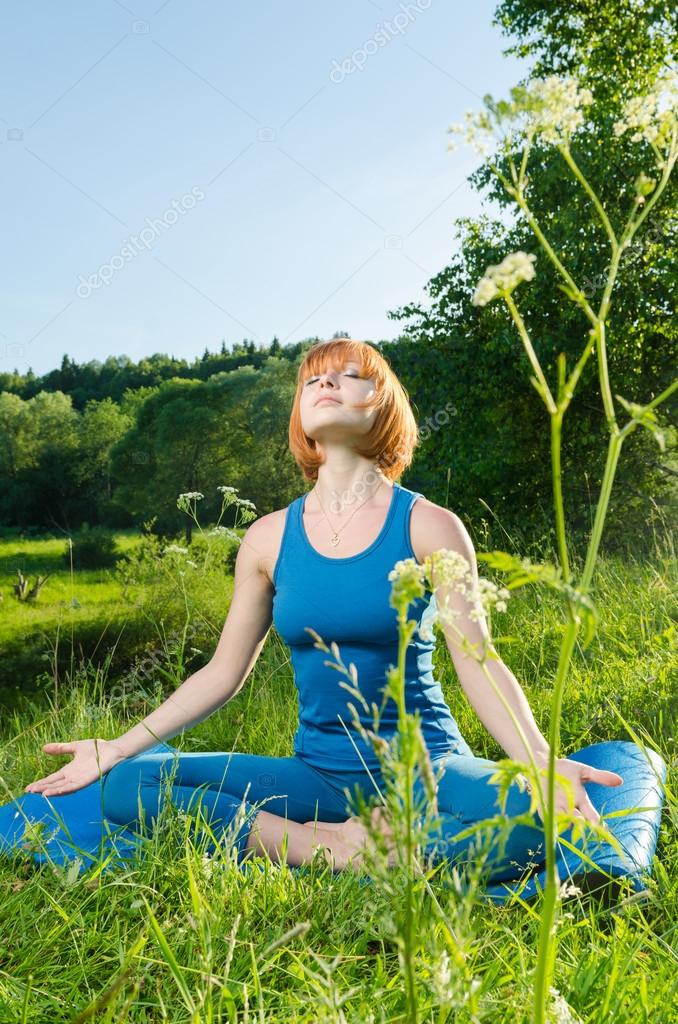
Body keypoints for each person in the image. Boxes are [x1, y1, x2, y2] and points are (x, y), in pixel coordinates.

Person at [24, 338, 623, 879]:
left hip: (427, 774)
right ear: (302, 416)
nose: (327, 383)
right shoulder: (266, 539)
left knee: (540, 817)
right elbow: (222, 674)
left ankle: (368, 840)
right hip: (315, 777)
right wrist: (119, 745)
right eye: (313, 379)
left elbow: (478, 658)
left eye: (349, 375)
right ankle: (328, 848)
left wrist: (539, 761)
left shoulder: (431, 526)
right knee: (128, 783)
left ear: (383, 405)